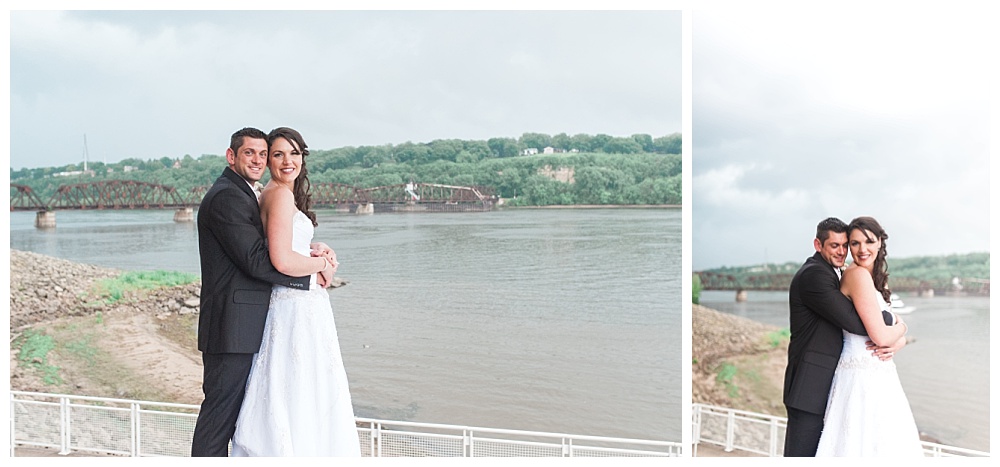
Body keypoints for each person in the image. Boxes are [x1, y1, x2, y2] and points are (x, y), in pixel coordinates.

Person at [191, 127, 336, 457]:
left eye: (261, 153)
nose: (257, 159)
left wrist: (313, 252)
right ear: (231, 156)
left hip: (247, 323)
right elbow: (258, 260)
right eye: (249, 153)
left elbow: (271, 245)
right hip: (231, 326)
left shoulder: (248, 193)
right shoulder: (227, 196)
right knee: (219, 420)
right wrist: (315, 272)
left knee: (241, 417)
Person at [230, 127, 361, 456]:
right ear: (269, 160)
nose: (288, 161)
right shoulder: (280, 193)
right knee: (303, 384)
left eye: (294, 153)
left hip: (300, 303)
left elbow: (288, 242)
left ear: (303, 157)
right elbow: (283, 259)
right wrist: (322, 266)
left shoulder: (276, 193)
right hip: (296, 306)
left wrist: (317, 248)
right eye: (278, 154)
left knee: (301, 382)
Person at [782, 217, 903, 457]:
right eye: (834, 245)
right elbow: (855, 322)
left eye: (844, 245)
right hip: (810, 385)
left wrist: (897, 340)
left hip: (830, 381)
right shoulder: (814, 275)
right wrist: (895, 323)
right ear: (818, 245)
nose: (842, 251)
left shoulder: (834, 272)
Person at [814, 216, 923, 456]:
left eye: (869, 241)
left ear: (880, 243)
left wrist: (900, 340)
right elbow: (882, 336)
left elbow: (887, 332)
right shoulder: (856, 275)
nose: (862, 249)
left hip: (878, 372)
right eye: (854, 243)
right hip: (862, 376)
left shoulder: (868, 277)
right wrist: (903, 329)